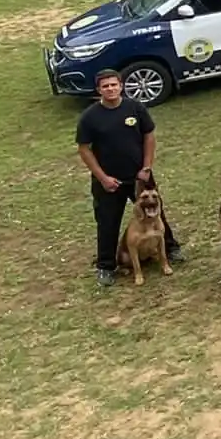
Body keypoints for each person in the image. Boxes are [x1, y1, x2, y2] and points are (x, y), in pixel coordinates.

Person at [76, 69, 182, 288]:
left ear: (121, 86)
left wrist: (147, 166)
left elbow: (149, 136)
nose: (110, 89)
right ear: (99, 90)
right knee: (107, 223)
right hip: (109, 182)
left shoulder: (135, 107)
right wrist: (103, 178)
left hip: (139, 176)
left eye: (114, 85)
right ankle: (106, 266)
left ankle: (170, 248)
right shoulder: (90, 117)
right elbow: (84, 149)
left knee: (155, 211)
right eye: (105, 86)